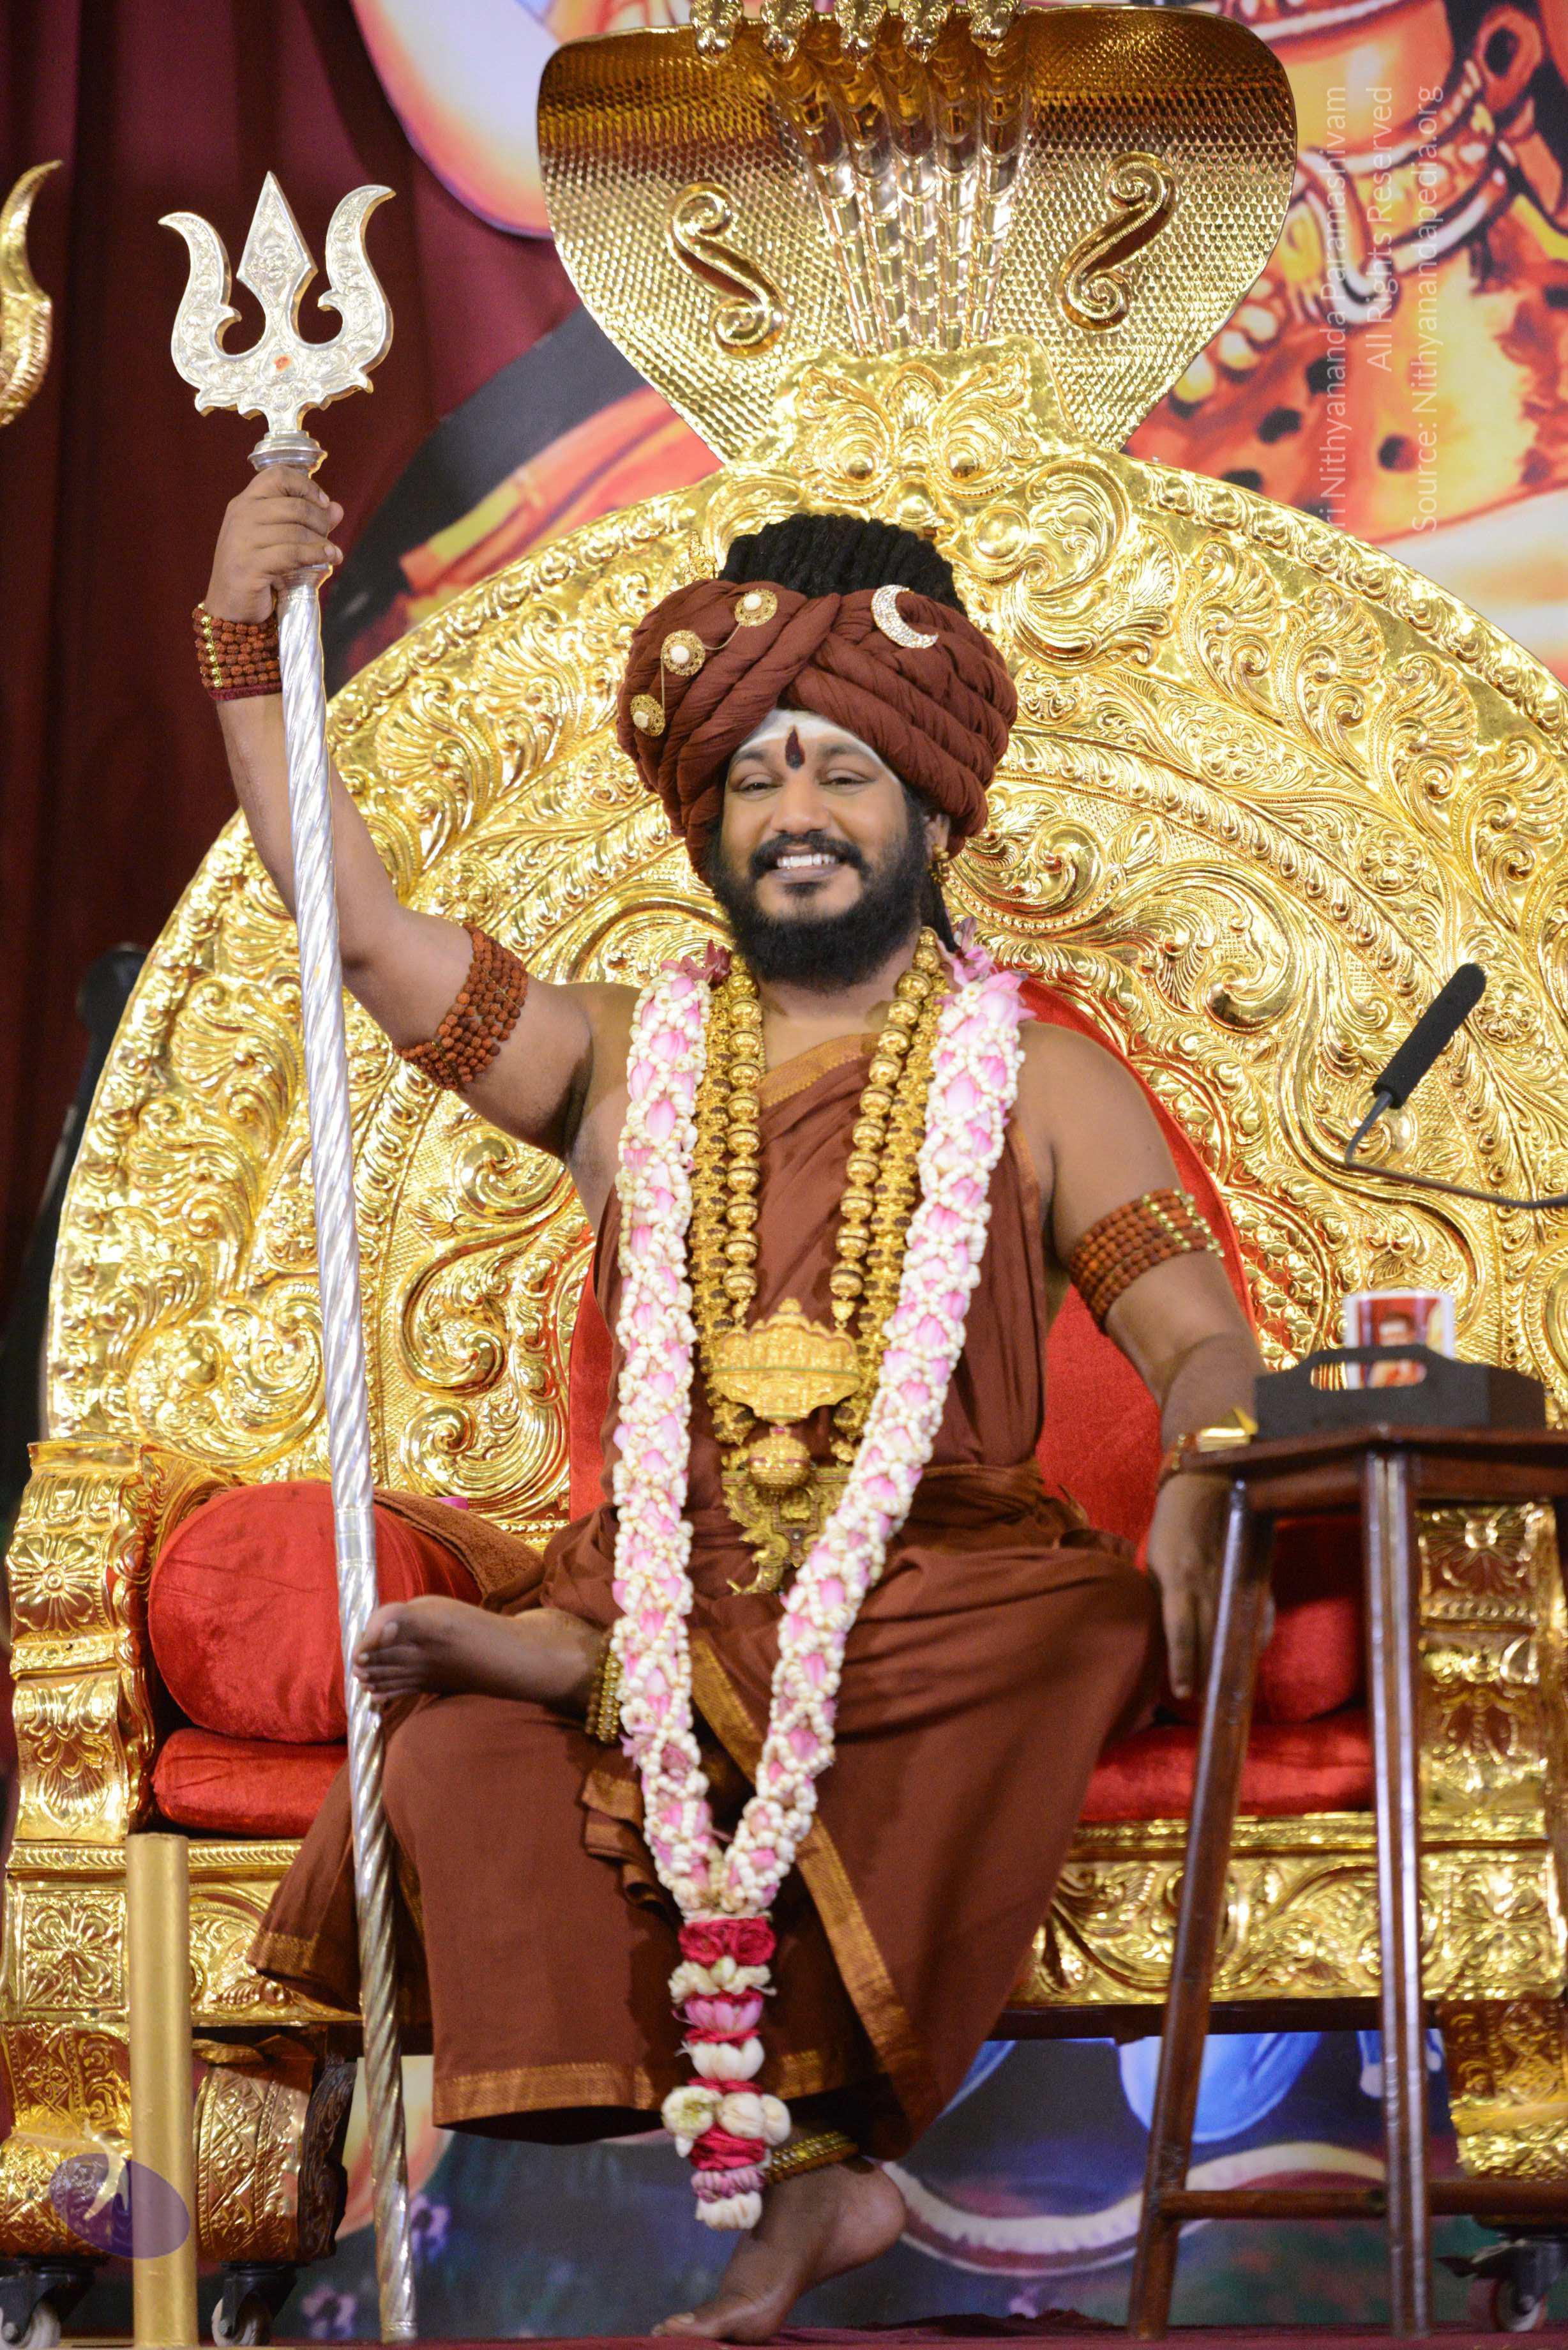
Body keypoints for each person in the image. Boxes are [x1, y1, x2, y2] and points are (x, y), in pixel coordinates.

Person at [199, 469, 1262, 2339]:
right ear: (704, 822)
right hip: (667, 1567)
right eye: (755, 778)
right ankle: (619, 1692)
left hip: (936, 1584)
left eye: (843, 770)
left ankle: (613, 1703)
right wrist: (239, 642)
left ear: (935, 808)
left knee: (1077, 1615)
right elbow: (359, 937)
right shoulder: (615, 1059)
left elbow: (1197, 1340)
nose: (796, 812)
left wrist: (1206, 1465)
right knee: (451, 1761)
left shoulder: (1041, 1078)